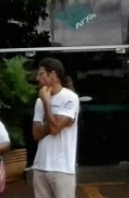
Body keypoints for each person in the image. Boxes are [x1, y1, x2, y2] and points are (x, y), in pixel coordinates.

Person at [32, 57, 80, 198]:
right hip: (40, 165)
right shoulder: (38, 101)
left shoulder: (70, 98)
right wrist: (56, 121)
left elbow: (54, 129)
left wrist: (47, 102)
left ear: (52, 74)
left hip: (62, 168)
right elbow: (36, 133)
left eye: (40, 74)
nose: (37, 78)